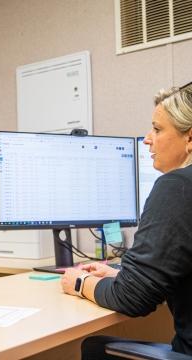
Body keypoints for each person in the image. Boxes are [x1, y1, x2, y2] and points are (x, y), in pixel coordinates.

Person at [61, 82, 192, 358]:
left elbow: (132, 299)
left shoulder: (177, 187)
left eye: (157, 129)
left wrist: (79, 283)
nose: (147, 139)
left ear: (189, 138)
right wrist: (125, 275)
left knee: (93, 347)